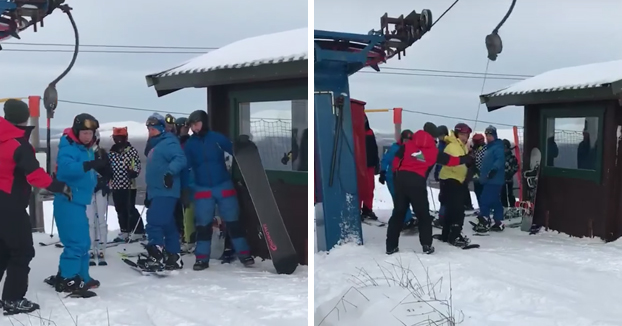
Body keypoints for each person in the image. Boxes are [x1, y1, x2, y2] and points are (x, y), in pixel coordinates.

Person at [0, 100, 71, 314]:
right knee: (22, 252)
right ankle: (13, 299)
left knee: (3, 250)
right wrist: (59, 186)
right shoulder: (17, 143)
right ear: (25, 117)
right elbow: (34, 175)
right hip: (10, 205)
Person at [386, 122, 473, 255]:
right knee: (423, 216)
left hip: (401, 180)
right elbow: (450, 161)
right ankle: (426, 246)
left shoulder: (408, 145)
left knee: (398, 213)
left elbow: (396, 159)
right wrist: (465, 159)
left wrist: (395, 173)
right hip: (417, 183)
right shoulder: (433, 151)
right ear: (434, 137)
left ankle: (391, 247)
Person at [183, 110, 254, 270]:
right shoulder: (190, 144)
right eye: (192, 126)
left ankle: (245, 255)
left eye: (197, 124)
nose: (194, 128)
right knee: (203, 225)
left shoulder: (216, 138)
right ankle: (201, 259)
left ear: (204, 122)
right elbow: (185, 168)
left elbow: (234, 150)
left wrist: (242, 145)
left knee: (233, 222)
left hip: (223, 186)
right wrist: (185, 188)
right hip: (202, 189)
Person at [52, 113, 105, 295]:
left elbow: (87, 172)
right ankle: (68, 278)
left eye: (90, 133)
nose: (87, 136)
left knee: (84, 242)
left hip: (79, 201)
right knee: (75, 242)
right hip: (67, 200)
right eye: (84, 133)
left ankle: (82, 276)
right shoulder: (69, 147)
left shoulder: (86, 148)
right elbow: (66, 169)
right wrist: (90, 164)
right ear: (76, 131)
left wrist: (101, 175)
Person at [142, 113, 187, 271]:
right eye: (149, 129)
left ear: (161, 128)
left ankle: (156, 255)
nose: (150, 131)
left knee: (154, 221)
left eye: (153, 128)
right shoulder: (156, 144)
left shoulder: (168, 142)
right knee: (168, 225)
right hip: (157, 191)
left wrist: (169, 173)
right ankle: (174, 256)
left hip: (166, 190)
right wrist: (149, 194)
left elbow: (180, 159)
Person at [438, 123, 472, 247]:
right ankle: (454, 235)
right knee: (458, 210)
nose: (465, 137)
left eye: (467, 135)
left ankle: (446, 234)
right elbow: (452, 162)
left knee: (451, 208)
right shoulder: (453, 146)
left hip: (456, 180)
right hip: (451, 179)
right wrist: (465, 160)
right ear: (457, 134)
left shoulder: (461, 146)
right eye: (463, 134)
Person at [108, 126, 145, 242]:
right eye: (116, 138)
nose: (118, 140)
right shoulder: (112, 152)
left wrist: (134, 172)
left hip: (129, 185)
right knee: (119, 209)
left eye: (121, 138)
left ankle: (138, 230)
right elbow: (108, 166)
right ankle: (124, 230)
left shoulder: (131, 151)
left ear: (125, 138)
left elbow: (137, 164)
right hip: (116, 185)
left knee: (130, 208)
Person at [472, 125, 506, 233]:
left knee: (484, 200)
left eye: (490, 135)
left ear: (495, 135)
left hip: (494, 179)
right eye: (487, 135)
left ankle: (485, 220)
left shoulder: (497, 147)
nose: (488, 137)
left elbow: (500, 159)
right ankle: (498, 222)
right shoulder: (489, 147)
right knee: (495, 201)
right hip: (488, 178)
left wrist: (494, 170)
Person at [379, 130, 415, 229]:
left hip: (404, 177)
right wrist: (382, 172)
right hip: (392, 177)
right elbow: (386, 160)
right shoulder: (395, 148)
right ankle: (405, 219)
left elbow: (420, 159)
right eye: (405, 140)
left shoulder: (412, 149)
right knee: (399, 198)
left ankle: (401, 219)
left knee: (404, 198)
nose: (407, 142)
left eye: (409, 140)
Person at [87, 130, 112, 265]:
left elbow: (109, 171)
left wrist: (104, 182)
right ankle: (91, 246)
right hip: (88, 189)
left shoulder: (102, 153)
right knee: (90, 220)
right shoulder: (84, 153)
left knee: (101, 218)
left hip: (100, 189)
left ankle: (102, 245)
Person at [361, 114, 380, 220]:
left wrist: (376, 162)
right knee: (359, 188)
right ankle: (357, 209)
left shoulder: (370, 132)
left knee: (369, 188)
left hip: (369, 165)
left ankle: (368, 209)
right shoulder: (354, 131)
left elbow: (374, 148)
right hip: (358, 165)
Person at [433, 125, 449, 228]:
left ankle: (443, 219)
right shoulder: (441, 145)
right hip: (442, 173)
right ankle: (443, 217)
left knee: (444, 198)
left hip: (446, 174)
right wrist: (436, 171)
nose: (439, 137)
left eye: (441, 135)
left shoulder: (446, 146)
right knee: (443, 197)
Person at [501, 139, 519, 212]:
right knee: (502, 195)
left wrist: (510, 174)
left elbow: (516, 167)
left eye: (505, 148)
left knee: (510, 194)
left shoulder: (512, 158)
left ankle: (512, 209)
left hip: (509, 180)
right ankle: (504, 209)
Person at [471, 133, 487, 206]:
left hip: (482, 174)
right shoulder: (475, 149)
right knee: (478, 191)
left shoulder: (484, 149)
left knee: (482, 191)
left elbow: (479, 161)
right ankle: (482, 206)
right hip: (476, 174)